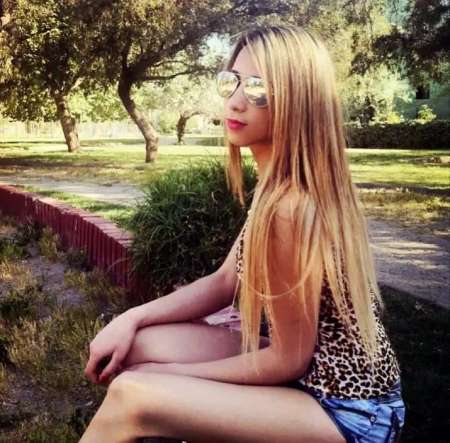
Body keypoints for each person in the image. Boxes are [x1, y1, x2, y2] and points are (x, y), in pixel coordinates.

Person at [80, 24, 405, 443]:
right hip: (311, 376)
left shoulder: (289, 208)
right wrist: (131, 318)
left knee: (132, 395)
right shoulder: (277, 186)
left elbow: (288, 360)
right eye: (232, 82)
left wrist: (172, 376)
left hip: (349, 411)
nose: (235, 101)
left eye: (258, 89)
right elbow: (223, 282)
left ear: (298, 101)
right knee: (140, 344)